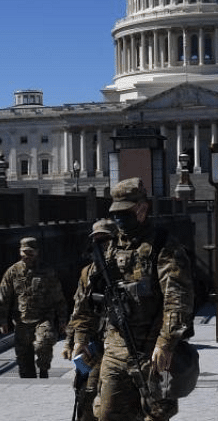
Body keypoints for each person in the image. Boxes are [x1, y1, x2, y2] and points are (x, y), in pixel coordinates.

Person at [69, 178, 194, 421]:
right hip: (115, 348)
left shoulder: (163, 247)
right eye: (116, 213)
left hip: (152, 351)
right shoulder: (109, 249)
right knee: (107, 414)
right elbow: (86, 298)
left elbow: (177, 299)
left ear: (142, 209)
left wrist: (166, 342)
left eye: (125, 213)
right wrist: (81, 338)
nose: (119, 219)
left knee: (156, 415)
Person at [63, 219, 116, 421]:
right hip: (94, 345)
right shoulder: (88, 273)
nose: (102, 245)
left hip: (121, 345)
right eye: (97, 240)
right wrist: (72, 341)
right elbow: (79, 311)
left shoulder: (125, 269)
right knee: (86, 393)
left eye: (106, 240)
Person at [0, 236, 67, 378]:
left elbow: (58, 296)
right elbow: (3, 298)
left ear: (37, 252)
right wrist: (2, 321)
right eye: (24, 252)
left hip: (43, 318)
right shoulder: (12, 272)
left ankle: (43, 369)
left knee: (44, 342)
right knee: (24, 364)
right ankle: (31, 383)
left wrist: (62, 319)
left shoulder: (47, 271)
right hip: (22, 320)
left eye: (31, 252)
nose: (27, 256)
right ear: (20, 252)